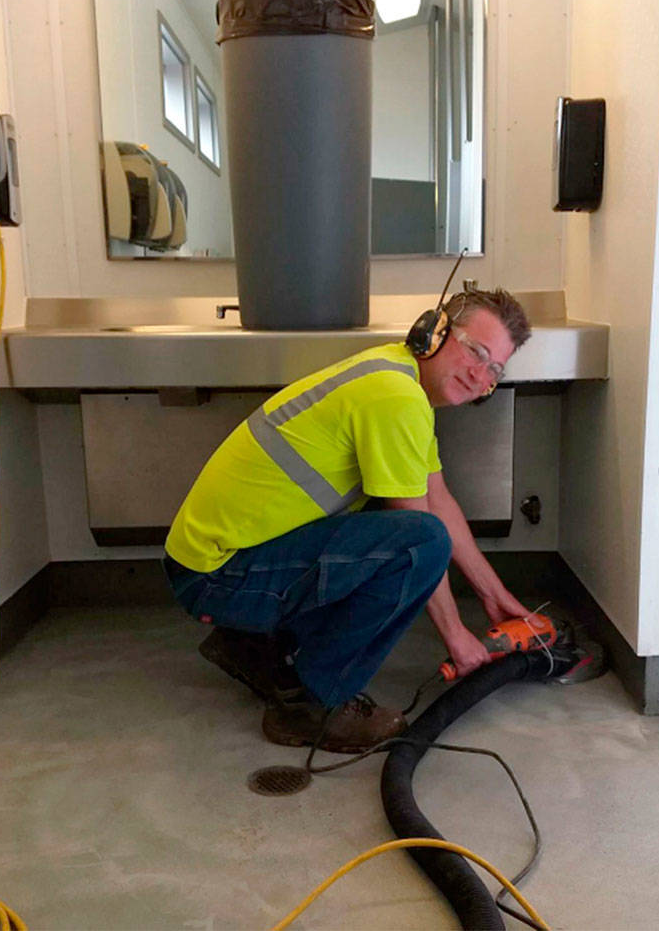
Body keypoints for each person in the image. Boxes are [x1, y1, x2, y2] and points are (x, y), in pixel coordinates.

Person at [162, 288, 536, 752]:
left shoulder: (397, 377)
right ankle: (314, 704)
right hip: (215, 576)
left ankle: (251, 645)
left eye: (495, 369)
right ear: (434, 331)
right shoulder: (395, 397)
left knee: (411, 536)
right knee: (416, 544)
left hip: (215, 561)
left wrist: (495, 597)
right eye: (476, 351)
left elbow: (437, 497)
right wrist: (457, 638)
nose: (481, 374)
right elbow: (421, 536)